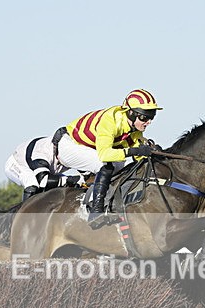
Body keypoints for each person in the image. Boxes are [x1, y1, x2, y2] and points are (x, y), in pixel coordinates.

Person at [54, 89, 163, 228]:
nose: (148, 122)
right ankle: (96, 210)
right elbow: (105, 154)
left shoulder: (133, 129)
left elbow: (138, 155)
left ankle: (106, 202)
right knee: (104, 164)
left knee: (119, 166)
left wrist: (154, 154)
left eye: (151, 117)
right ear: (131, 113)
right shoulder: (110, 121)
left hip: (89, 148)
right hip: (68, 145)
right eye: (144, 117)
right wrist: (135, 150)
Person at [4, 134, 76, 203]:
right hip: (17, 164)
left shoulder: (72, 152)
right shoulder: (43, 153)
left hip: (42, 169)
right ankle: (25, 215)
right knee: (33, 184)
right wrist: (71, 180)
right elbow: (43, 180)